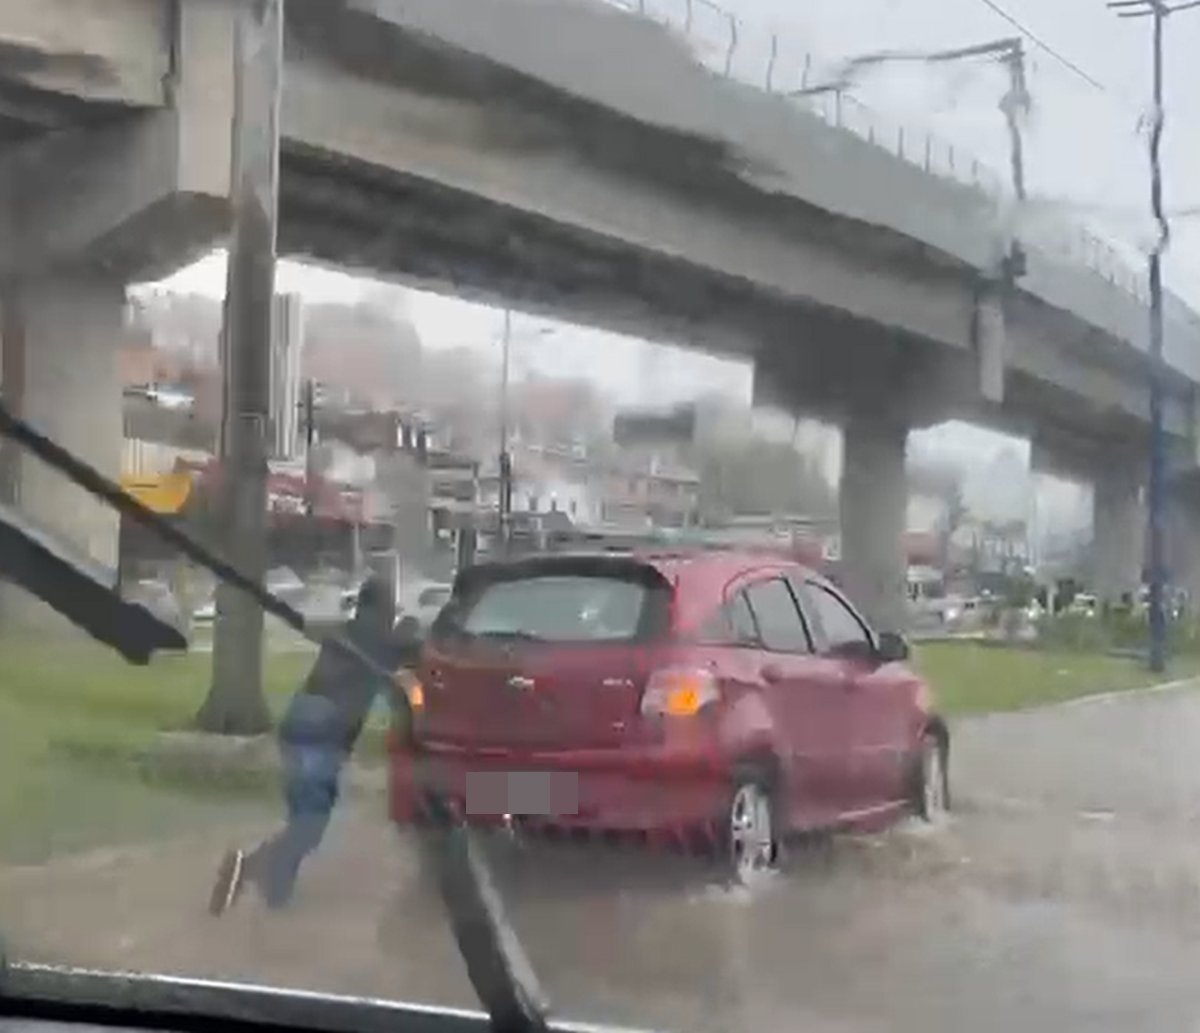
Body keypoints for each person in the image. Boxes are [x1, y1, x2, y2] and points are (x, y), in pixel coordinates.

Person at [209, 577, 421, 914]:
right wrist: (412, 631)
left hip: (298, 720)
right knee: (310, 824)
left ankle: (277, 895)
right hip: (325, 730)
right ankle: (247, 868)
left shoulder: (347, 631)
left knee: (303, 817)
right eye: (390, 609)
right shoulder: (382, 640)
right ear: (382, 609)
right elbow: (414, 656)